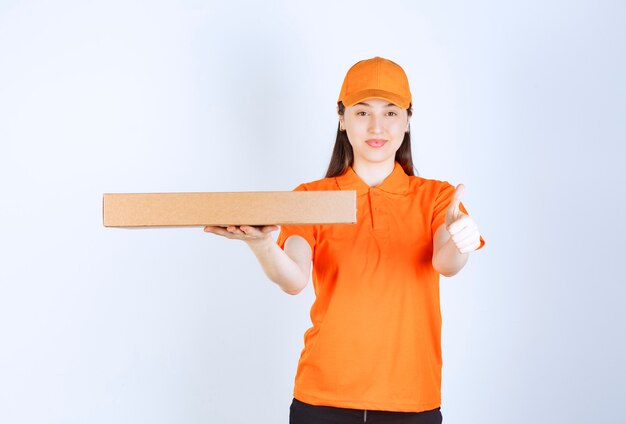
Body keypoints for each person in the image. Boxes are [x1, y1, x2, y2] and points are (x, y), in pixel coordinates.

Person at [204, 56, 485, 424]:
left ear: (408, 119)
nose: (377, 126)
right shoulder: (310, 197)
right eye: (362, 112)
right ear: (342, 118)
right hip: (322, 400)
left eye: (391, 112)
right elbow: (294, 278)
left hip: (411, 400)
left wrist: (459, 239)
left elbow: (445, 263)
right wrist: (261, 245)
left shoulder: (436, 197)